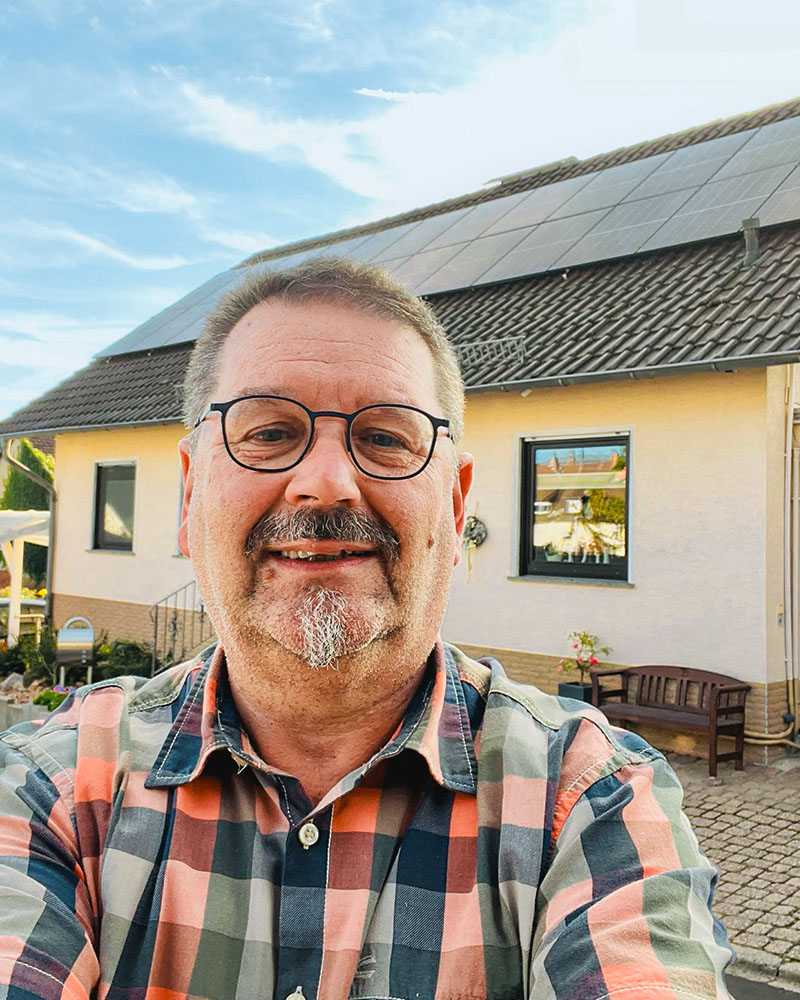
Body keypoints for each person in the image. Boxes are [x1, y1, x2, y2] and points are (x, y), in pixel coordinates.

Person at [0, 257, 732, 1000]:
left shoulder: (588, 802)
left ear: (455, 505)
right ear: (191, 495)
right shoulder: (52, 789)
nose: (327, 483)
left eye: (385, 438)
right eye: (269, 431)